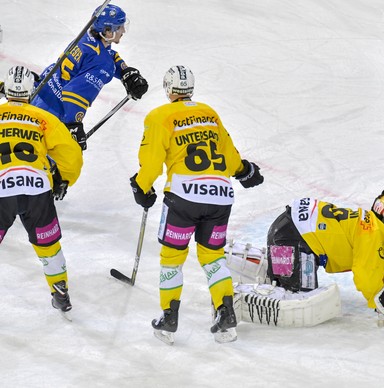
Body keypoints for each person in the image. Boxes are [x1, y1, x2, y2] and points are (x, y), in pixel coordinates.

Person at [129, 65, 264, 344]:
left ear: (168, 89)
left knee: (172, 259)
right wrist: (244, 171)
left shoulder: (159, 116)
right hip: (219, 197)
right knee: (213, 257)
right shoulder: (209, 113)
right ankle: (225, 315)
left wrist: (141, 186)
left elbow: (152, 160)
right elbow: (227, 152)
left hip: (183, 199)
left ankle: (169, 318)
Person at [228, 190, 384, 328]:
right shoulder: (373, 232)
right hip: (293, 239)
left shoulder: (368, 225)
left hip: (287, 232)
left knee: (287, 277)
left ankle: (261, 267)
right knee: (299, 297)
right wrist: (382, 304)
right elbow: (365, 271)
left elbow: (375, 262)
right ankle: (240, 298)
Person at [0, 66, 83, 316]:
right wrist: (63, 180)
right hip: (36, 187)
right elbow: (71, 155)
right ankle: (60, 292)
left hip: (2, 187)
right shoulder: (43, 118)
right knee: (47, 245)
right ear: (30, 90)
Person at [31, 4, 148, 151]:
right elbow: (75, 94)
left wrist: (125, 71)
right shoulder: (103, 65)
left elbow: (104, 54)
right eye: (119, 27)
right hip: (53, 116)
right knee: (39, 161)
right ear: (107, 31)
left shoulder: (86, 37)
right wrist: (73, 126)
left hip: (39, 96)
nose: (123, 30)